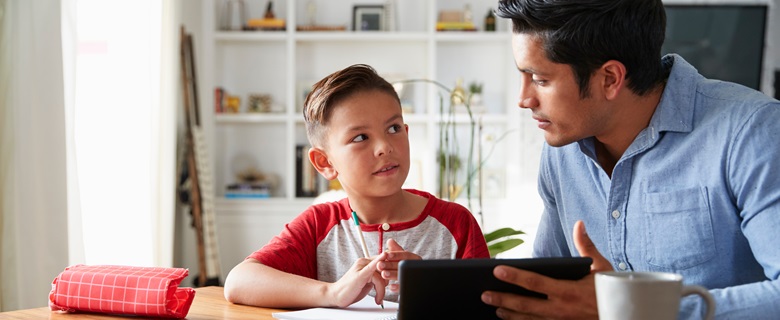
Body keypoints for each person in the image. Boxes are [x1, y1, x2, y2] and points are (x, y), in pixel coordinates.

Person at [482, 0, 780, 319]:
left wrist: (629, 309)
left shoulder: (753, 132)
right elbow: (549, 290)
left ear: (610, 78)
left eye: (540, 79)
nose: (524, 99)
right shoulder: (561, 151)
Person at [223, 64, 490, 308]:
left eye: (394, 128)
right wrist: (334, 292)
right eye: (361, 137)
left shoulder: (456, 224)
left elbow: (490, 307)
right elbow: (239, 281)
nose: (385, 146)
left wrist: (430, 285)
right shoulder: (319, 225)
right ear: (324, 162)